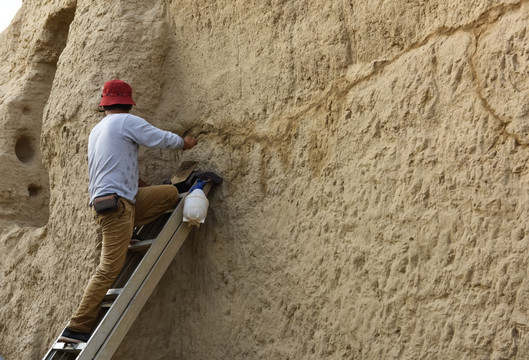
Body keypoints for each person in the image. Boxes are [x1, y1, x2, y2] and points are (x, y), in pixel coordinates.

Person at [59, 79, 197, 343]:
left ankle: (128, 233)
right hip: (117, 207)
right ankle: (76, 326)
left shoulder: (97, 130)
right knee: (108, 270)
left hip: (107, 204)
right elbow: (158, 137)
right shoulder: (126, 122)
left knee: (168, 193)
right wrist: (184, 143)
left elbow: (113, 169)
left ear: (105, 103)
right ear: (127, 102)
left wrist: (141, 184)